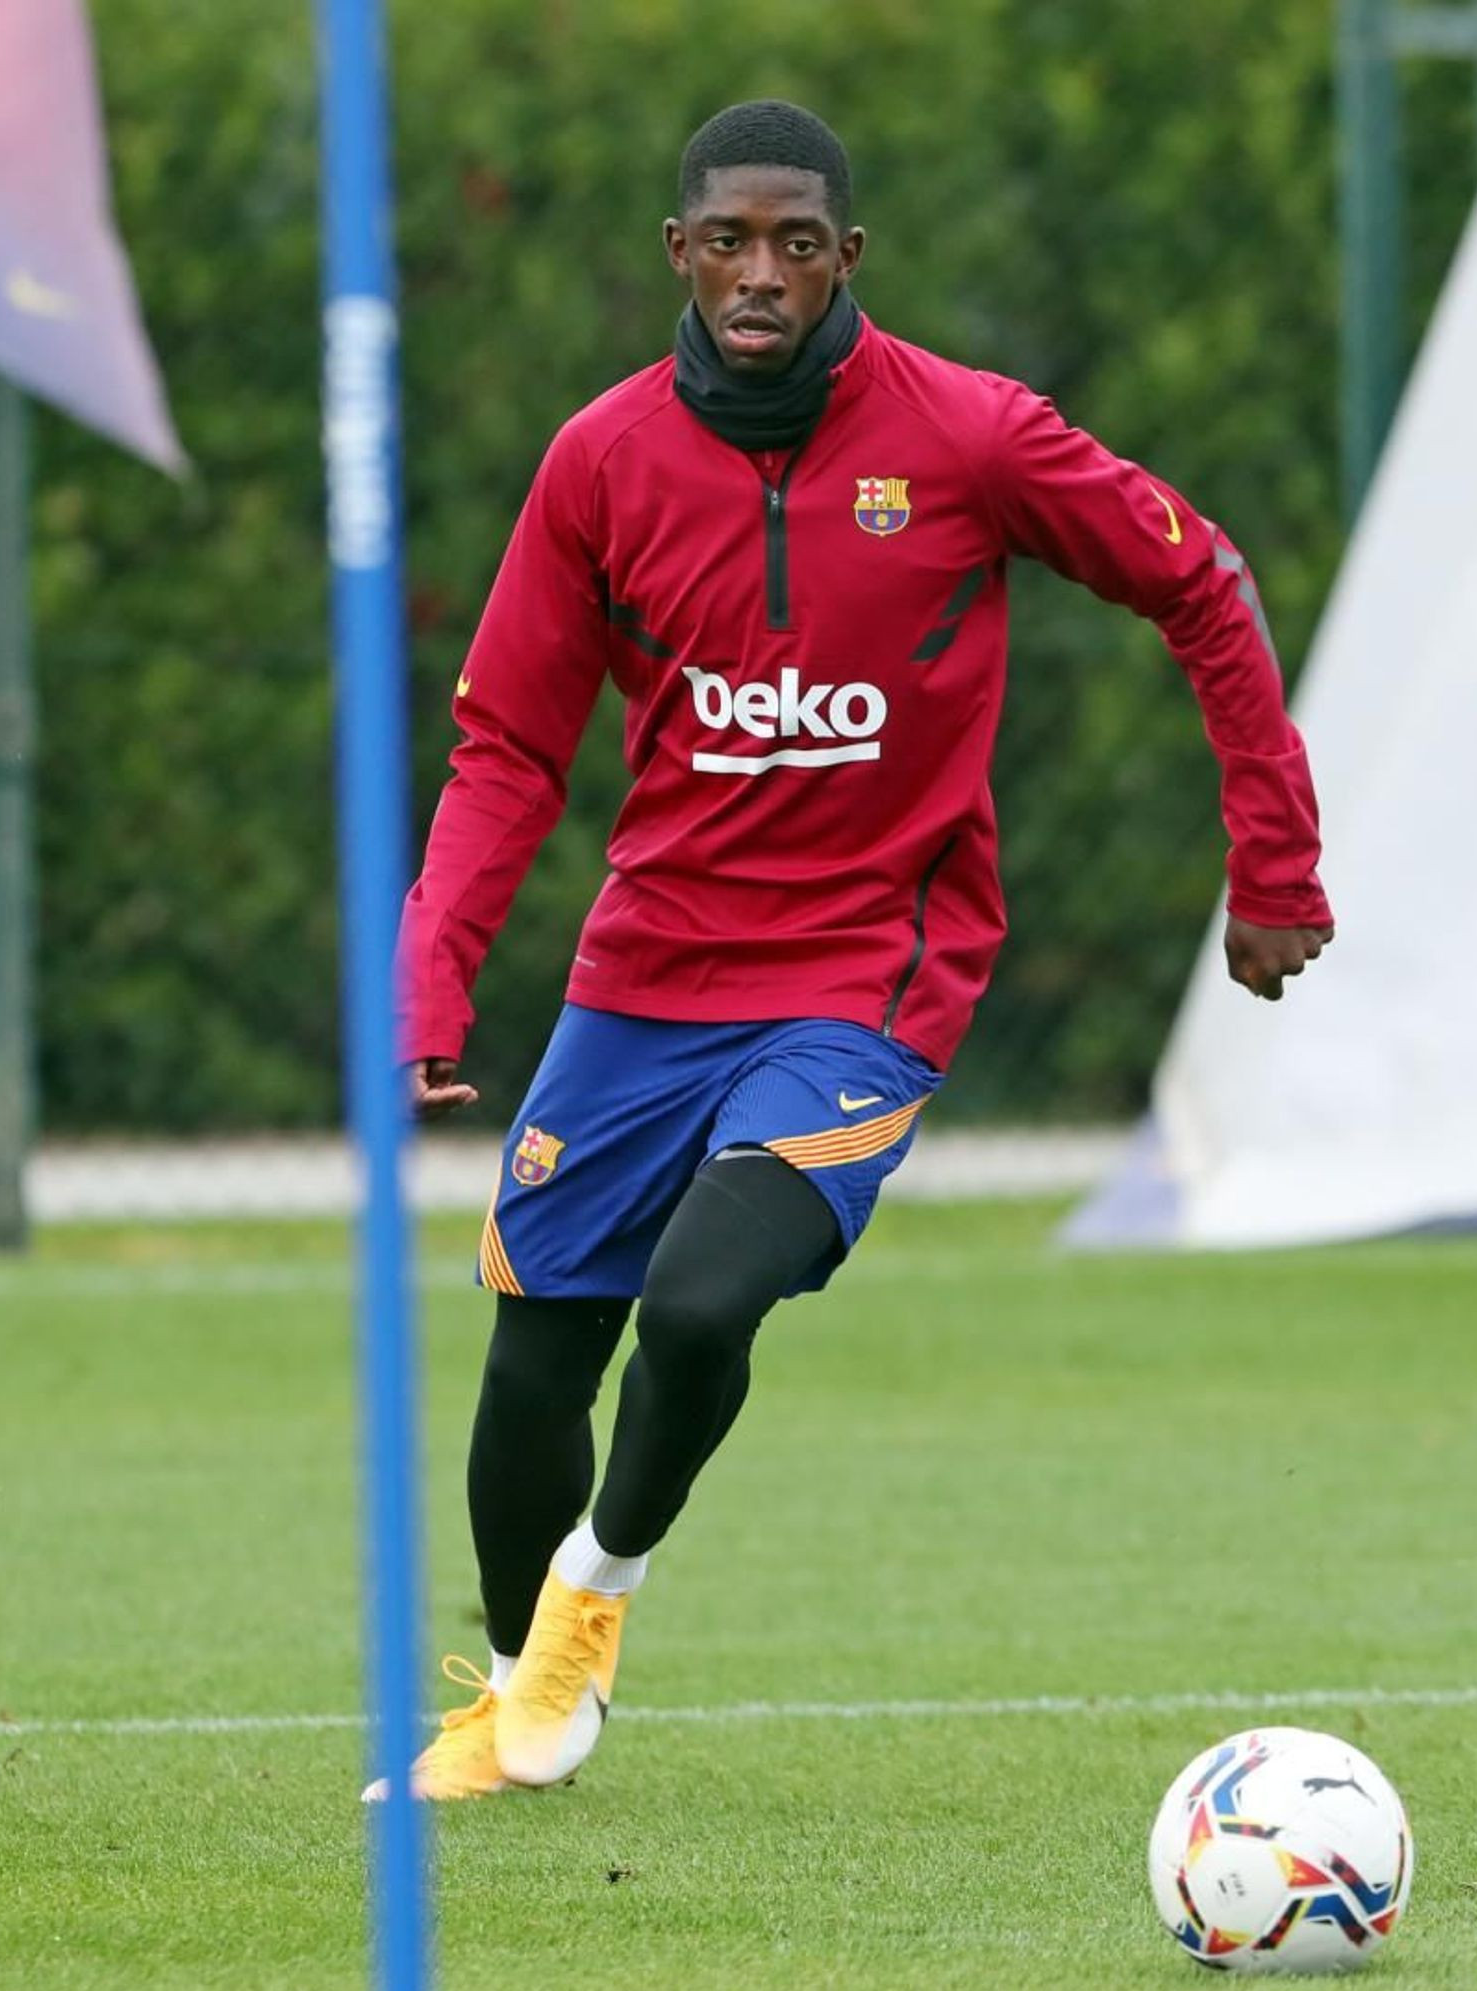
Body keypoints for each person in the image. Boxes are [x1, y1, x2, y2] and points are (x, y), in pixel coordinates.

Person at [371, 100, 1334, 1802]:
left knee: (700, 1303)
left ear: (846, 259)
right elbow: (511, 747)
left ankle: (592, 1601)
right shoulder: (598, 461)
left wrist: (1275, 859)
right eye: (728, 241)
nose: (760, 274)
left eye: (796, 243)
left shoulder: (969, 437)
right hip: (641, 983)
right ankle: (519, 1703)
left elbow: (1204, 581)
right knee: (532, 1371)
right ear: (678, 254)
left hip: (862, 982)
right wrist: (434, 976)